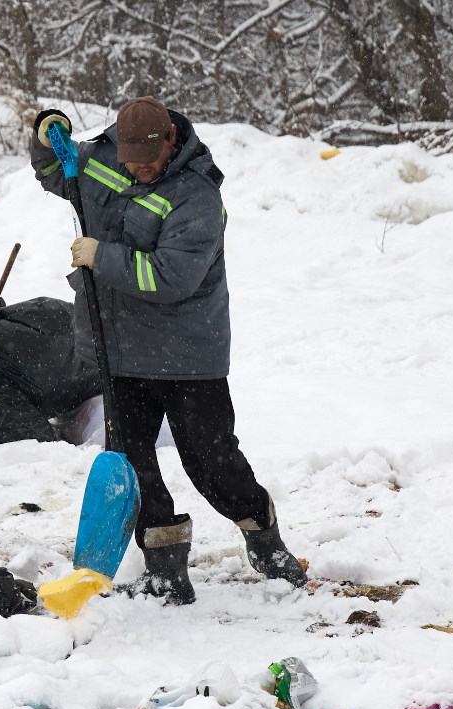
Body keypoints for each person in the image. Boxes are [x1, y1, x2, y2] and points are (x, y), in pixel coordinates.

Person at [29, 97, 306, 604]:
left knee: (211, 461)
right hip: (120, 349)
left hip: (187, 354)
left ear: (170, 142)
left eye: (147, 162)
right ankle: (166, 571)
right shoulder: (105, 160)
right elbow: (56, 171)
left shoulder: (197, 196)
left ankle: (263, 535)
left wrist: (102, 256)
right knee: (134, 465)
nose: (137, 170)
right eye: (130, 161)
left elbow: (171, 276)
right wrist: (49, 133)